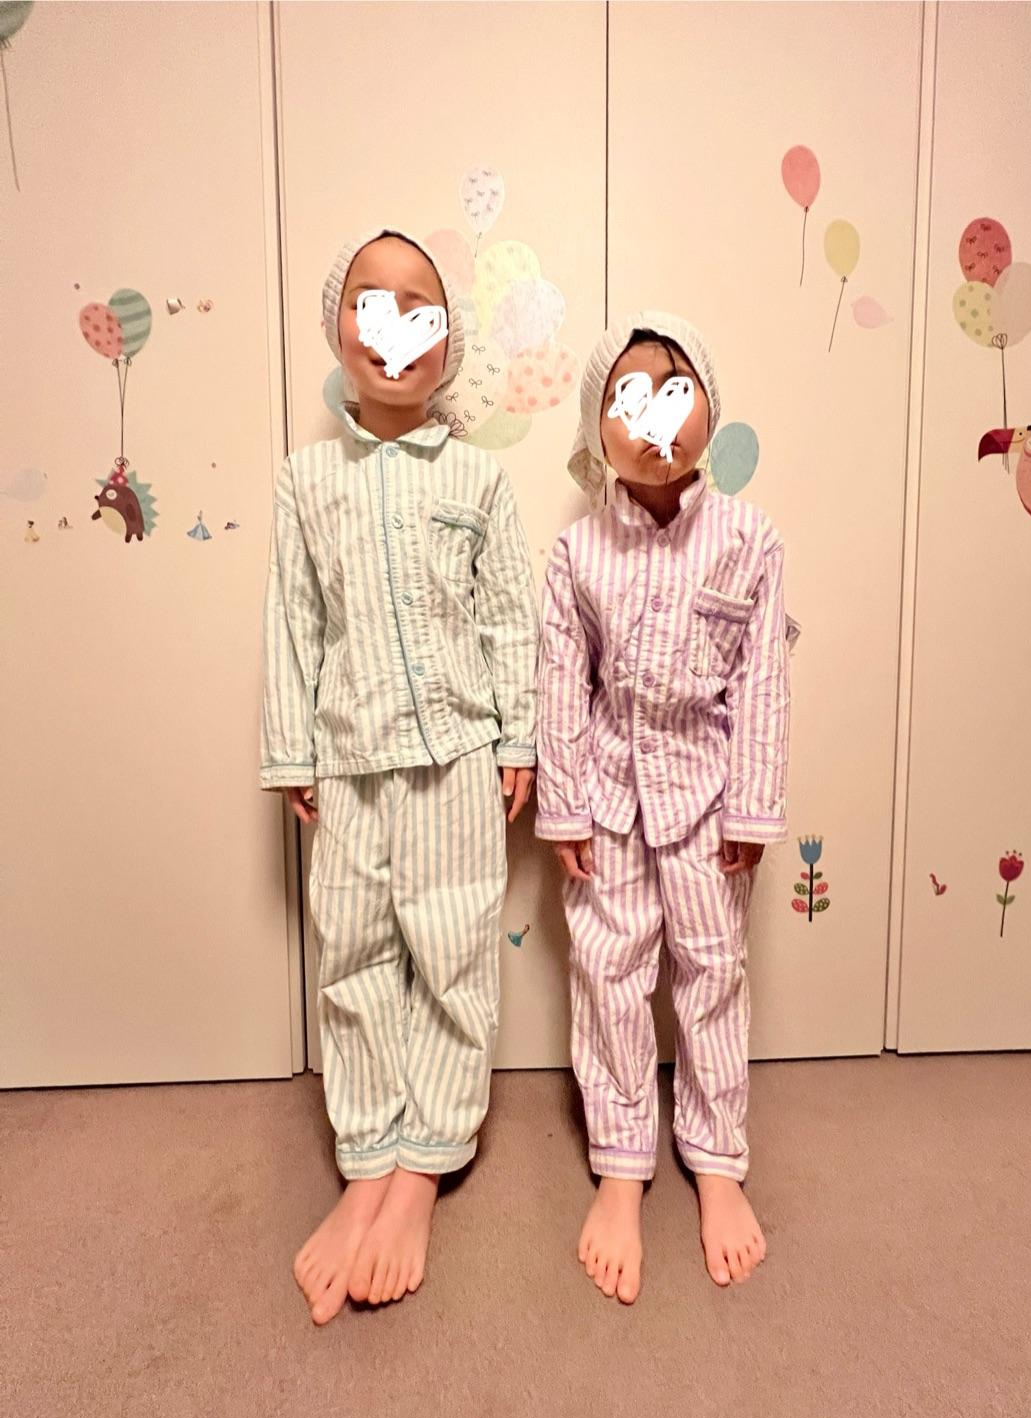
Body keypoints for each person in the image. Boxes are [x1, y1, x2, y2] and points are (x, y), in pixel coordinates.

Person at [261, 227, 538, 1322]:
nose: (392, 328)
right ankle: (368, 1157)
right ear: (338, 326)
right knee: (355, 954)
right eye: (369, 303)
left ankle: (424, 1163)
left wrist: (518, 739)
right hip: (347, 761)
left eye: (418, 307)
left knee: (454, 953)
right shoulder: (305, 479)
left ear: (447, 339)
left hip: (458, 760)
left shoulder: (478, 476)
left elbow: (509, 617)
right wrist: (291, 749)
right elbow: (294, 622)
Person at [537, 312, 792, 1304]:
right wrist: (564, 808)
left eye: (674, 393)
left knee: (713, 970)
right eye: (628, 398)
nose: (653, 419)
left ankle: (717, 1158)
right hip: (607, 796)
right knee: (608, 970)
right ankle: (620, 1161)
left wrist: (753, 809)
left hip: (708, 799)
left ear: (709, 410)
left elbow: (762, 680)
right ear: (597, 426)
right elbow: (562, 684)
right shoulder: (576, 553)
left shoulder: (750, 540)